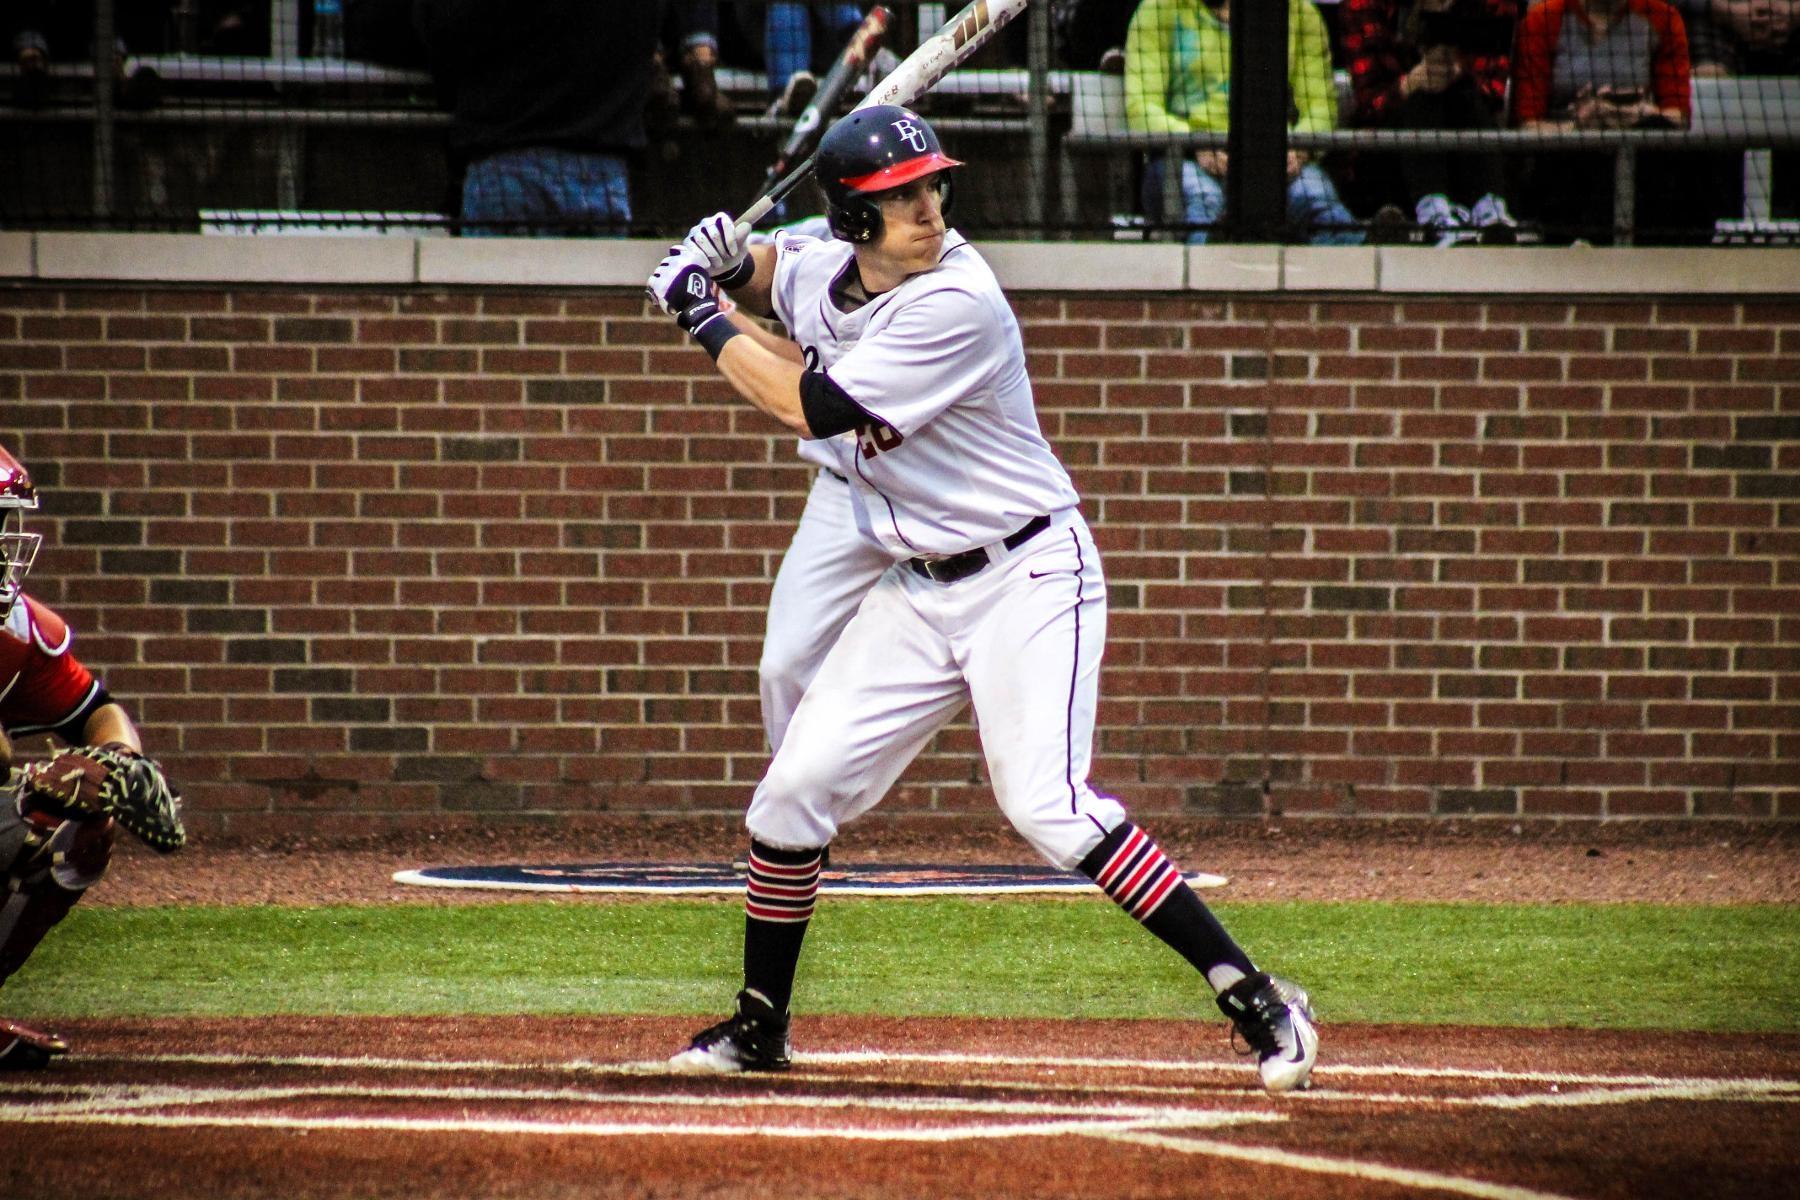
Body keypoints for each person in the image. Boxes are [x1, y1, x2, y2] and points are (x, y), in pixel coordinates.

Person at [645, 105, 1319, 1094]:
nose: (929, 207)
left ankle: (1257, 996)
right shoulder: (825, 265)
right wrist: (723, 262)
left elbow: (810, 402)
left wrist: (699, 313)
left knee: (1049, 808)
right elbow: (775, 282)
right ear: (853, 221)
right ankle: (760, 1026)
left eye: (931, 186)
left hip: (1029, 573)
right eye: (900, 196)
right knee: (788, 797)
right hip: (917, 584)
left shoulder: (958, 299)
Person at [0, 445, 185, 1070]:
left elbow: (99, 710)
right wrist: (29, 785)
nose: (2, 543)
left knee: (77, 828)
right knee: (22, 813)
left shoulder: (19, 630)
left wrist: (111, 767)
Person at [1124, 0, 1366, 244]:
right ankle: (1212, 261)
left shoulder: (1301, 13)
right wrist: (1197, 143)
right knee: (1204, 197)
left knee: (1313, 194)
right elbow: (1141, 108)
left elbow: (1321, 107)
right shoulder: (1157, 9)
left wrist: (1297, 149)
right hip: (1182, 160)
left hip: (1275, 156)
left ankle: (1367, 247)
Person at [413, 0, 661, 235]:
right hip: (604, 172)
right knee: (592, 279)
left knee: (501, 279)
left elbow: (443, 30)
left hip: (508, 161)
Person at [1511, 0, 1698, 241]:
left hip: (1640, 160)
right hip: (1564, 162)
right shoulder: (1543, 20)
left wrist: (1635, 114)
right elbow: (1527, 126)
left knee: (1661, 138)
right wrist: (1582, 125)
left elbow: (1678, 117)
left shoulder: (1663, 18)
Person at [1341, 0, 1522, 244]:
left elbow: (1493, 94)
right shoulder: (1362, 6)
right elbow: (1369, 106)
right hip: (1386, 164)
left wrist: (1456, 71)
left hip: (1463, 150)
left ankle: (1491, 214)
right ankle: (1435, 215)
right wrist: (1410, 83)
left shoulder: (1491, 5)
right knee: (1423, 96)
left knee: (1464, 92)